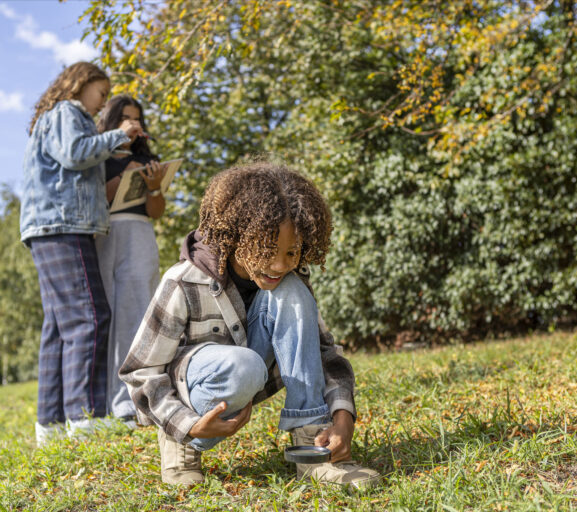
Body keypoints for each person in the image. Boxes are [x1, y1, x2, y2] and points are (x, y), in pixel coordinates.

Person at [119, 160, 381, 489]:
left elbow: (322, 353)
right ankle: (180, 447)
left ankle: (312, 449)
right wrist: (188, 426)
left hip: (250, 372)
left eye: (291, 251)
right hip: (196, 401)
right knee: (244, 366)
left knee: (291, 293)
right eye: (267, 249)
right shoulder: (183, 282)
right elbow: (140, 372)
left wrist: (342, 417)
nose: (279, 264)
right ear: (234, 235)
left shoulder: (288, 279)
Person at [20, 61, 144, 446]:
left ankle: (51, 424)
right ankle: (84, 417)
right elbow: (75, 153)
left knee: (59, 327)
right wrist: (115, 136)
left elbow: (73, 159)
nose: (101, 103)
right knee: (90, 317)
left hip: (49, 228)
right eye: (101, 94)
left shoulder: (53, 116)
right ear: (81, 83)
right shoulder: (68, 112)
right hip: (64, 226)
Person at [95, 96, 167, 424]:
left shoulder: (147, 158)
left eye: (137, 118)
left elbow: (156, 211)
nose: (132, 124)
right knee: (109, 311)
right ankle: (112, 399)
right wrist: (126, 171)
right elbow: (99, 197)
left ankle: (141, 397)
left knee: (140, 312)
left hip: (139, 236)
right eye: (125, 118)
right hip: (106, 236)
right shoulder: (98, 154)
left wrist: (153, 187)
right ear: (111, 121)